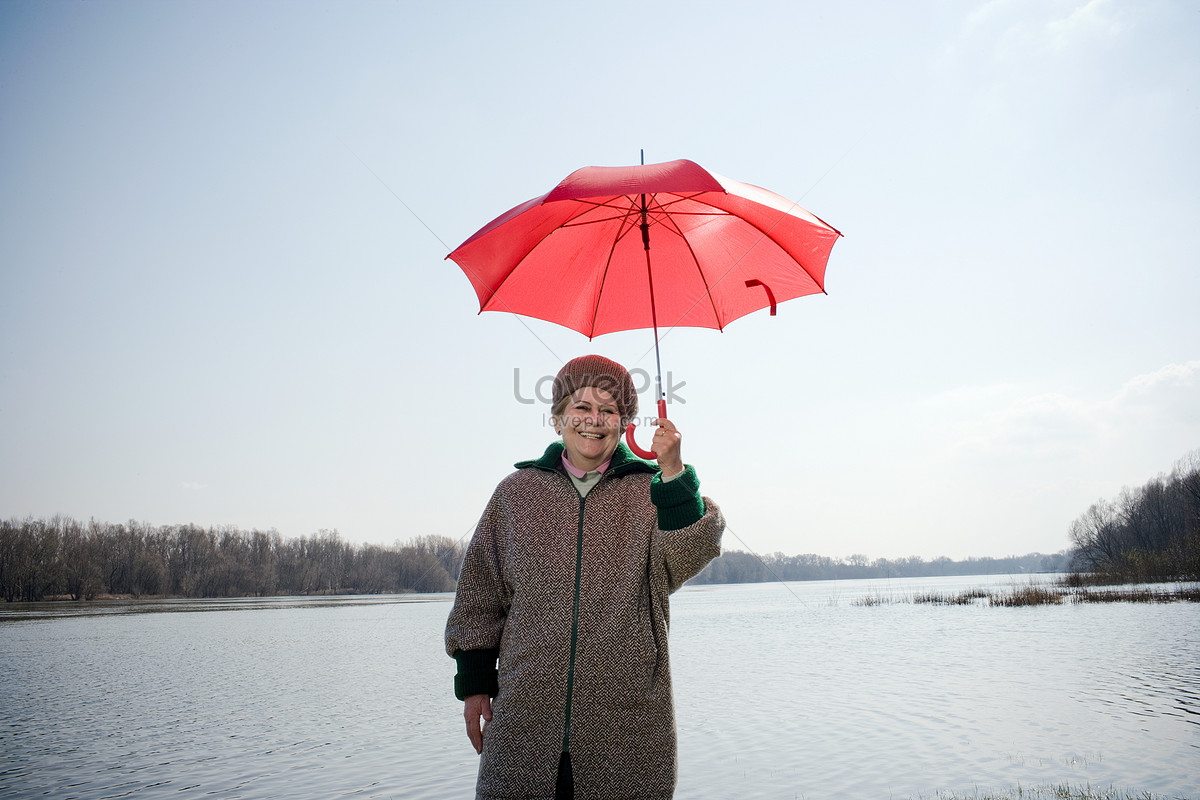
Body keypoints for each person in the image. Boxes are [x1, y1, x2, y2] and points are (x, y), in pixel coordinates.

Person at [445, 354, 725, 800]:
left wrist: (672, 472)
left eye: (608, 410)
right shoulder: (515, 494)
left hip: (628, 730)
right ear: (557, 419)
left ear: (624, 423)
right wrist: (475, 684)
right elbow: (480, 596)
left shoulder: (651, 488)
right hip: (522, 724)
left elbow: (687, 554)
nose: (593, 420)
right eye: (580, 407)